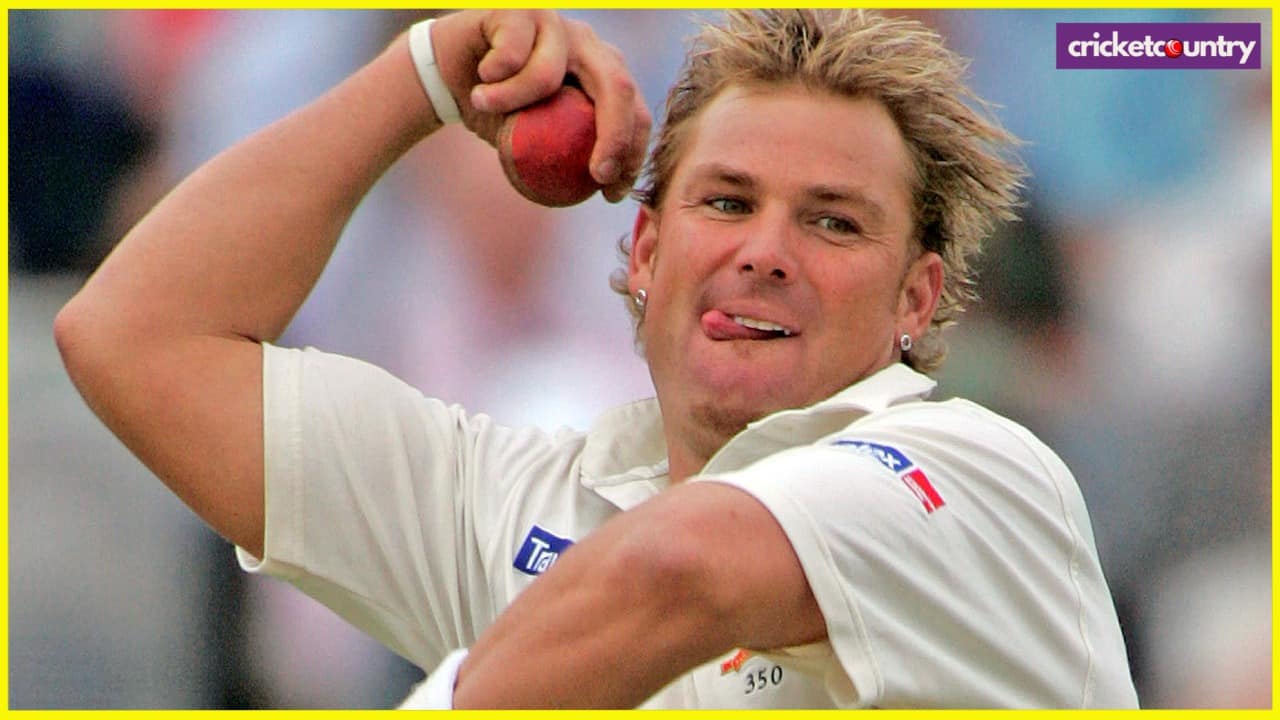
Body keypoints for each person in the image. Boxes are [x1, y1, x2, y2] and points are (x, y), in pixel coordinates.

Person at [55, 9, 1138, 709]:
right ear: (645, 252)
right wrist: (425, 73)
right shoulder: (536, 509)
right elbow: (133, 337)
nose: (764, 252)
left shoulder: (980, 476)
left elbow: (681, 571)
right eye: (727, 203)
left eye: (833, 222)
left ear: (917, 298)